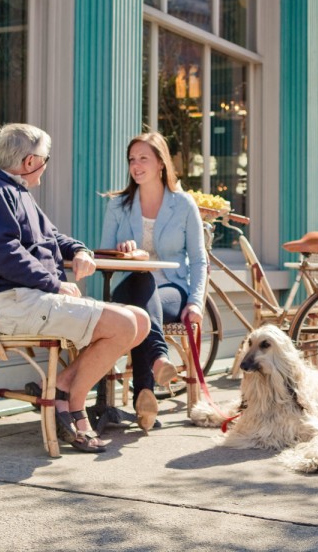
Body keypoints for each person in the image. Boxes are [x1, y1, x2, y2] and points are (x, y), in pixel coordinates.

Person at [0, 123, 150, 453]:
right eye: (46, 159)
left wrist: (79, 250)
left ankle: (60, 387)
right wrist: (54, 283)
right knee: (123, 324)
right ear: (31, 162)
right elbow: (0, 253)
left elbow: (53, 236)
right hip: (10, 303)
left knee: (140, 320)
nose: (46, 167)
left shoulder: (15, 192)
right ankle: (73, 406)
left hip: (28, 298)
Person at [100, 132, 207, 431]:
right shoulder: (118, 205)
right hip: (129, 287)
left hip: (172, 289)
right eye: (132, 159)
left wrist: (196, 302)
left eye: (143, 158)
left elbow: (199, 260)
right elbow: (103, 258)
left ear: (161, 162)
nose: (136, 165)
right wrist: (123, 254)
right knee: (141, 276)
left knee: (143, 311)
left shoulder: (184, 205)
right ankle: (159, 358)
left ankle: (143, 395)